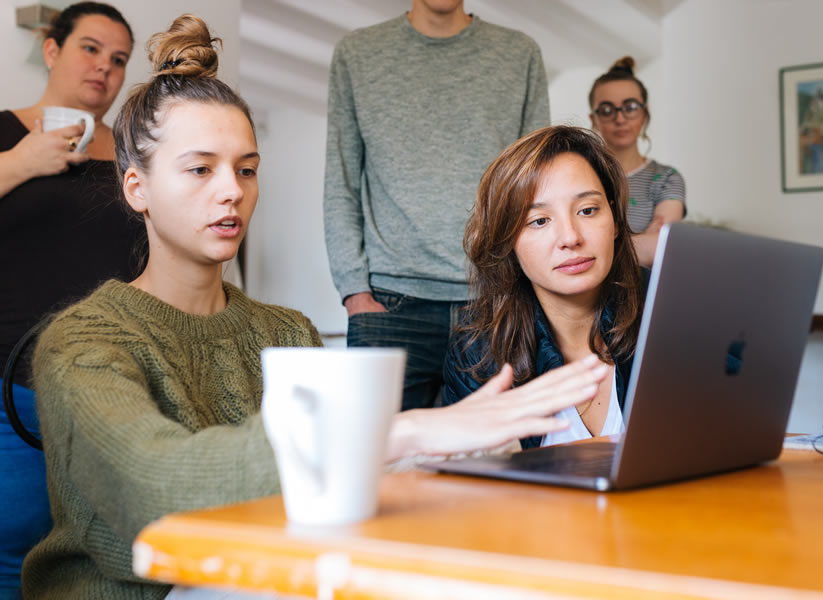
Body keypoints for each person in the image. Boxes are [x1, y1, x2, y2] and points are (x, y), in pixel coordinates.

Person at [20, 16, 606, 599]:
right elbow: (155, 489)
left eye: (246, 170)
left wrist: (462, 453)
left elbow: (335, 503)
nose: (232, 190)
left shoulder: (286, 331)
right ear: (136, 188)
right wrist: (401, 431)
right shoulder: (81, 344)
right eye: (200, 169)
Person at [324, 0, 550, 412]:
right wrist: (353, 290)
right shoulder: (357, 54)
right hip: (387, 304)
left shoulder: (520, 54)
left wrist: (528, 286)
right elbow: (340, 179)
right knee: (377, 466)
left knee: (493, 467)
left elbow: (536, 185)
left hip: (495, 299)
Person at [0, 3, 143, 596]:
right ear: (52, 50)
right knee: (13, 549)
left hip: (112, 391)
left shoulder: (137, 157)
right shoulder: (5, 132)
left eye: (118, 60)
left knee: (108, 560)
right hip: (12, 388)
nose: (103, 69)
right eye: (89, 48)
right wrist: (20, 162)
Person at [442, 126, 644, 450]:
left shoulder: (668, 314)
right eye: (539, 220)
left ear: (615, 220)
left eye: (587, 210)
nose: (570, 238)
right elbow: (471, 492)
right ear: (508, 241)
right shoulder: (477, 355)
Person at [588, 56, 685, 267]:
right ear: (593, 119)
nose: (620, 119)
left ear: (644, 113)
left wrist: (591, 253)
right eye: (606, 110)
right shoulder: (580, 176)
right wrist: (639, 243)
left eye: (630, 107)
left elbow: (660, 248)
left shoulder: (667, 178)